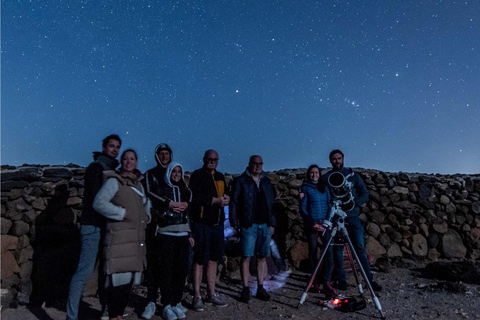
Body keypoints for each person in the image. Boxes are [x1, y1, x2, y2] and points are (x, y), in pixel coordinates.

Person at [66, 134, 121, 320]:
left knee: (107, 271)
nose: (114, 149)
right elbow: (99, 199)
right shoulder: (96, 168)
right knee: (84, 271)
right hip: (93, 226)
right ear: (104, 147)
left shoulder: (112, 170)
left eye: (117, 147)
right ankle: (71, 316)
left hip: (106, 226)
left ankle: (106, 311)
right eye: (111, 146)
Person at [93, 149, 150, 320]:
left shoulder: (138, 184)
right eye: (125, 159)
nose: (128, 162)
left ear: (136, 162)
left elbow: (145, 204)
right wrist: (120, 213)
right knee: (117, 287)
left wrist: (146, 216)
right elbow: (99, 203)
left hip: (133, 243)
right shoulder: (114, 182)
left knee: (125, 288)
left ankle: (116, 316)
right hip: (120, 243)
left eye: (132, 159)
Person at [322, 149, 382, 292]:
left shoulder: (352, 175)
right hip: (337, 217)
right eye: (334, 159)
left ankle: (368, 280)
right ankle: (340, 280)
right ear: (331, 161)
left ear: (343, 158)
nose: (337, 161)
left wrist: (355, 203)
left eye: (339, 158)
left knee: (359, 248)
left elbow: (364, 193)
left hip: (352, 216)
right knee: (337, 248)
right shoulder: (326, 178)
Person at [229, 155, 276, 303]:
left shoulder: (267, 182)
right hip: (248, 224)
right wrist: (235, 223)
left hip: (265, 224)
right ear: (249, 164)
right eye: (255, 164)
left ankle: (260, 287)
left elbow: (272, 204)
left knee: (262, 256)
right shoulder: (240, 181)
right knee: (246, 256)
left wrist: (272, 223)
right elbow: (234, 202)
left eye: (260, 164)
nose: (257, 166)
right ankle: (245, 288)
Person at [189, 149, 230, 311]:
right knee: (199, 259)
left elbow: (226, 194)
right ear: (204, 159)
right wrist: (215, 201)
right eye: (209, 159)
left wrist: (226, 199)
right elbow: (195, 197)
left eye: (215, 159)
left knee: (213, 259)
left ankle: (211, 293)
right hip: (202, 224)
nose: (212, 161)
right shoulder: (197, 176)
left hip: (217, 225)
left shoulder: (220, 177)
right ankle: (197, 295)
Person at [155, 162, 193, 320]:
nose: (177, 174)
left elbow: (189, 215)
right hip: (167, 233)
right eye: (174, 171)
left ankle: (176, 301)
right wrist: (167, 207)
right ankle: (166, 304)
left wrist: (190, 233)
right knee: (167, 271)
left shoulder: (186, 192)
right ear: (169, 173)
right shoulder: (161, 191)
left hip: (183, 235)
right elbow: (156, 208)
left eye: (179, 171)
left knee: (181, 271)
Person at [141, 143, 173, 319]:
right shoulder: (150, 174)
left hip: (171, 227)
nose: (164, 156)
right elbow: (148, 192)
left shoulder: (175, 174)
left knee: (168, 265)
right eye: (161, 153)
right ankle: (151, 300)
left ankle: (167, 303)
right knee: (153, 265)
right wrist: (166, 204)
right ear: (157, 156)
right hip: (154, 224)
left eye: (166, 153)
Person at [299, 164, 336, 297]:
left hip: (325, 224)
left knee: (328, 251)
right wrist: (312, 223)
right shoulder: (305, 188)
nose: (314, 175)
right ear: (308, 174)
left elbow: (329, 205)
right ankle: (314, 279)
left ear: (320, 174)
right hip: (312, 225)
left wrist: (327, 222)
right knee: (313, 251)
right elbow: (303, 208)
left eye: (316, 172)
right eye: (312, 172)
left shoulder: (324, 188)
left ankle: (326, 280)